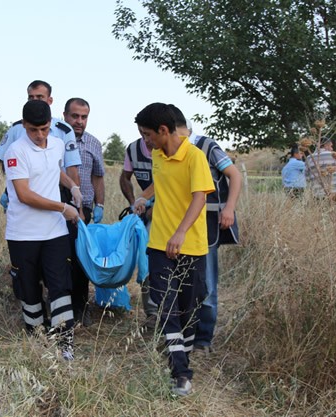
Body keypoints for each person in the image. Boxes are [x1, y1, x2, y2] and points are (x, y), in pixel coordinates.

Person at [132, 103, 214, 396]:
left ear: (163, 131)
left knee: (188, 308)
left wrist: (180, 233)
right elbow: (159, 181)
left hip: (190, 245)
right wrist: (143, 198)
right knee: (166, 306)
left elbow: (199, 199)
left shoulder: (195, 157)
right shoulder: (156, 154)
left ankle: (183, 356)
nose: (146, 141)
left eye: (147, 135)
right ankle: (180, 372)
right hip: (158, 245)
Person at [4, 99, 80, 360]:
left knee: (60, 286)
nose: (39, 135)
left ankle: (64, 342)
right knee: (29, 289)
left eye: (45, 129)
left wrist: (73, 186)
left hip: (54, 233)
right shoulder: (16, 151)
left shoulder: (57, 144)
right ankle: (36, 337)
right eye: (34, 130)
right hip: (23, 234)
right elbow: (24, 195)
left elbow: (55, 169)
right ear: (24, 125)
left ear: (51, 125)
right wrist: (62, 207)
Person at [167, 105, 242, 354]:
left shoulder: (205, 146)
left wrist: (228, 208)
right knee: (178, 284)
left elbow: (234, 175)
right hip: (177, 224)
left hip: (207, 224)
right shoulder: (167, 151)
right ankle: (179, 335)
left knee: (206, 284)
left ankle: (203, 338)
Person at [0, 80, 81, 197]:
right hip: (23, 187)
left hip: (56, 190)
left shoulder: (63, 131)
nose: (35, 100)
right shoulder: (17, 128)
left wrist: (76, 200)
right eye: (31, 97)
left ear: (49, 100)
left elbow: (71, 168)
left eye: (40, 97)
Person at [62, 97, 105, 326]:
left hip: (83, 211)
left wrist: (100, 205)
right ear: (65, 115)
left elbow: (98, 176)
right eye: (75, 116)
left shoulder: (94, 143)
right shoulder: (53, 139)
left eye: (84, 117)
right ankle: (60, 306)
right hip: (55, 208)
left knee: (80, 260)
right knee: (59, 259)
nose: (79, 121)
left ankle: (80, 308)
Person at [119, 134, 158, 327]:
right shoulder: (133, 149)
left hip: (169, 212)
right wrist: (134, 202)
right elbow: (125, 177)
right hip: (145, 212)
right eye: (143, 133)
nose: (148, 139)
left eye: (149, 133)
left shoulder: (166, 148)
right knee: (147, 259)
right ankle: (152, 313)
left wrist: (155, 207)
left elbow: (164, 181)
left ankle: (174, 312)